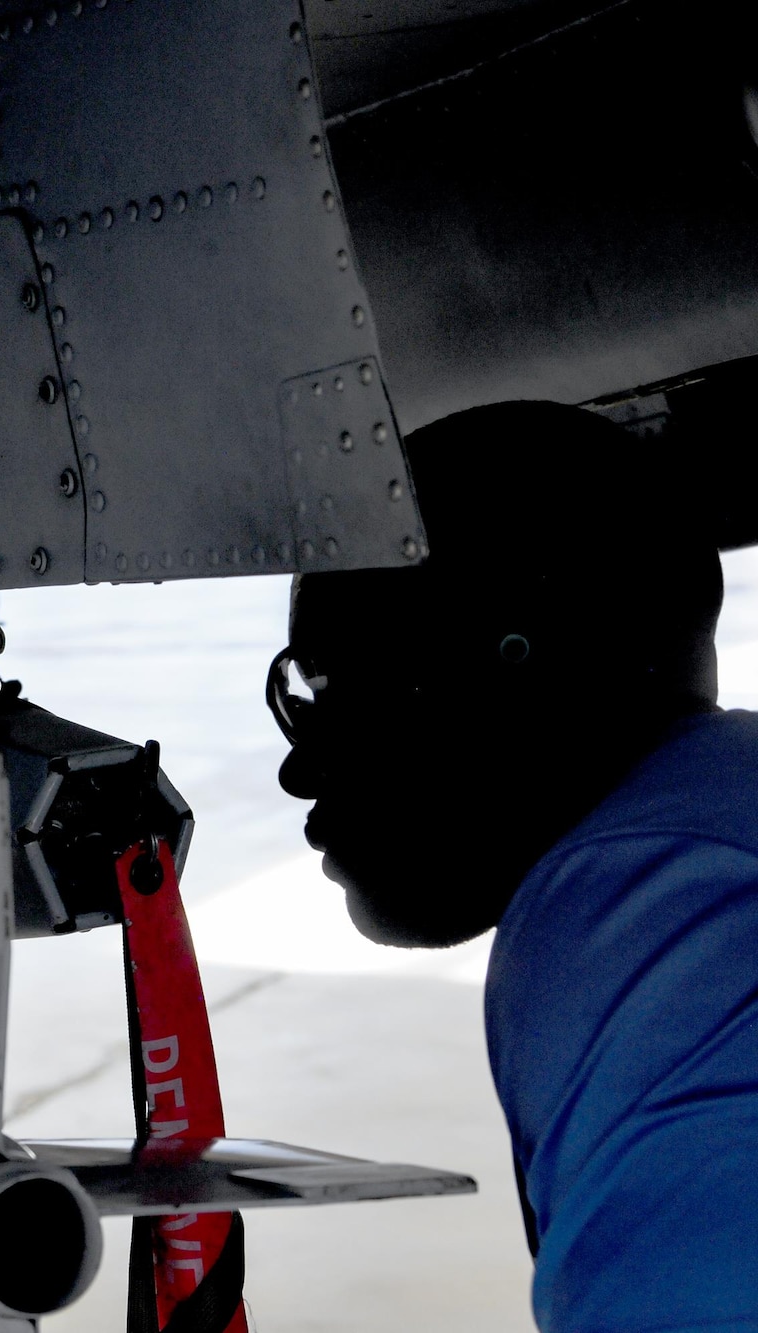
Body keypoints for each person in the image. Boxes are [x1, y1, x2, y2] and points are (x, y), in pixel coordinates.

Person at [268, 401, 749, 1331]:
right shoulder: (716, 819)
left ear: (512, 671)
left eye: (330, 688)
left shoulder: (650, 898)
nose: (298, 768)